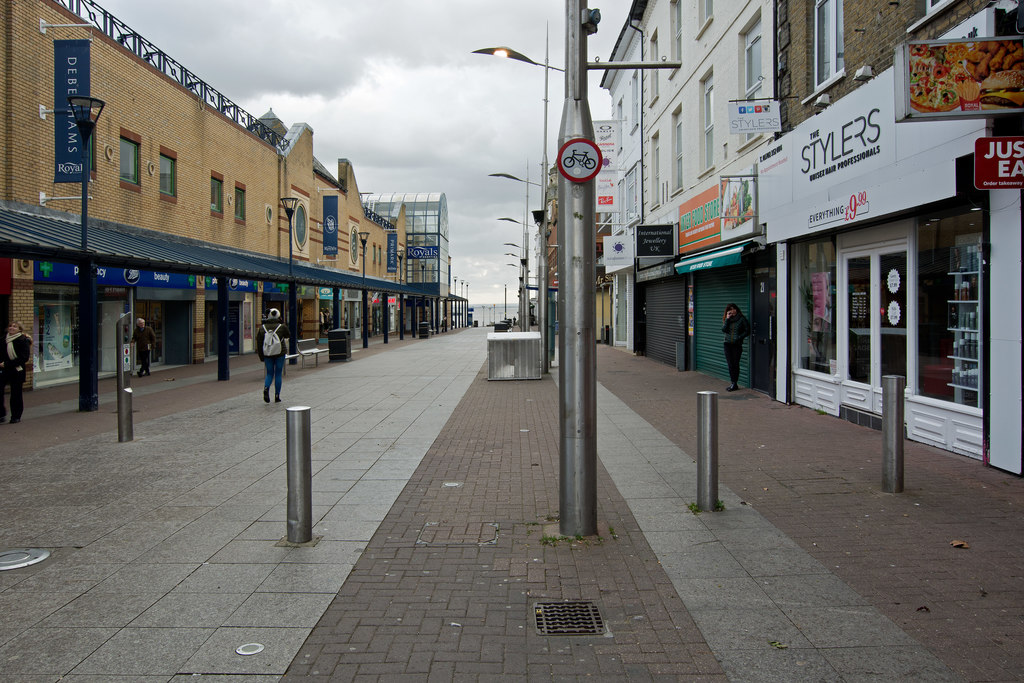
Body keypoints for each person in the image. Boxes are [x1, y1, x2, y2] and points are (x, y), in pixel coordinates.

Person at [256, 308, 290, 404]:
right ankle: (277, 395)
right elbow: (288, 335)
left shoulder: (262, 328)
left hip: (267, 353)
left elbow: (259, 342)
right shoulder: (282, 327)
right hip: (280, 352)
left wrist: (261, 356)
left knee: (269, 373)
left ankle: (266, 388)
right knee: (278, 373)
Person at [1, 321, 32, 424]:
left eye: (15, 326)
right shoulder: (3, 340)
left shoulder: (23, 340)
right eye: (10, 326)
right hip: (3, 370)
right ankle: (1, 414)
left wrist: (7, 364)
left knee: (16, 394)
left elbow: (24, 357)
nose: (12, 328)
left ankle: (16, 416)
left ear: (19, 329)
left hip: (17, 370)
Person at [721, 303, 750, 392]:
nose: (732, 311)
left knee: (735, 364)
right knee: (730, 364)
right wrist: (727, 319)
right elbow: (724, 330)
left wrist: (739, 337)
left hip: (737, 345)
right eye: (730, 309)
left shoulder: (742, 319)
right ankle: (733, 383)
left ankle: (735, 383)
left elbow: (747, 330)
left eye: (734, 309)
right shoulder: (728, 319)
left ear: (736, 309)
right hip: (727, 344)